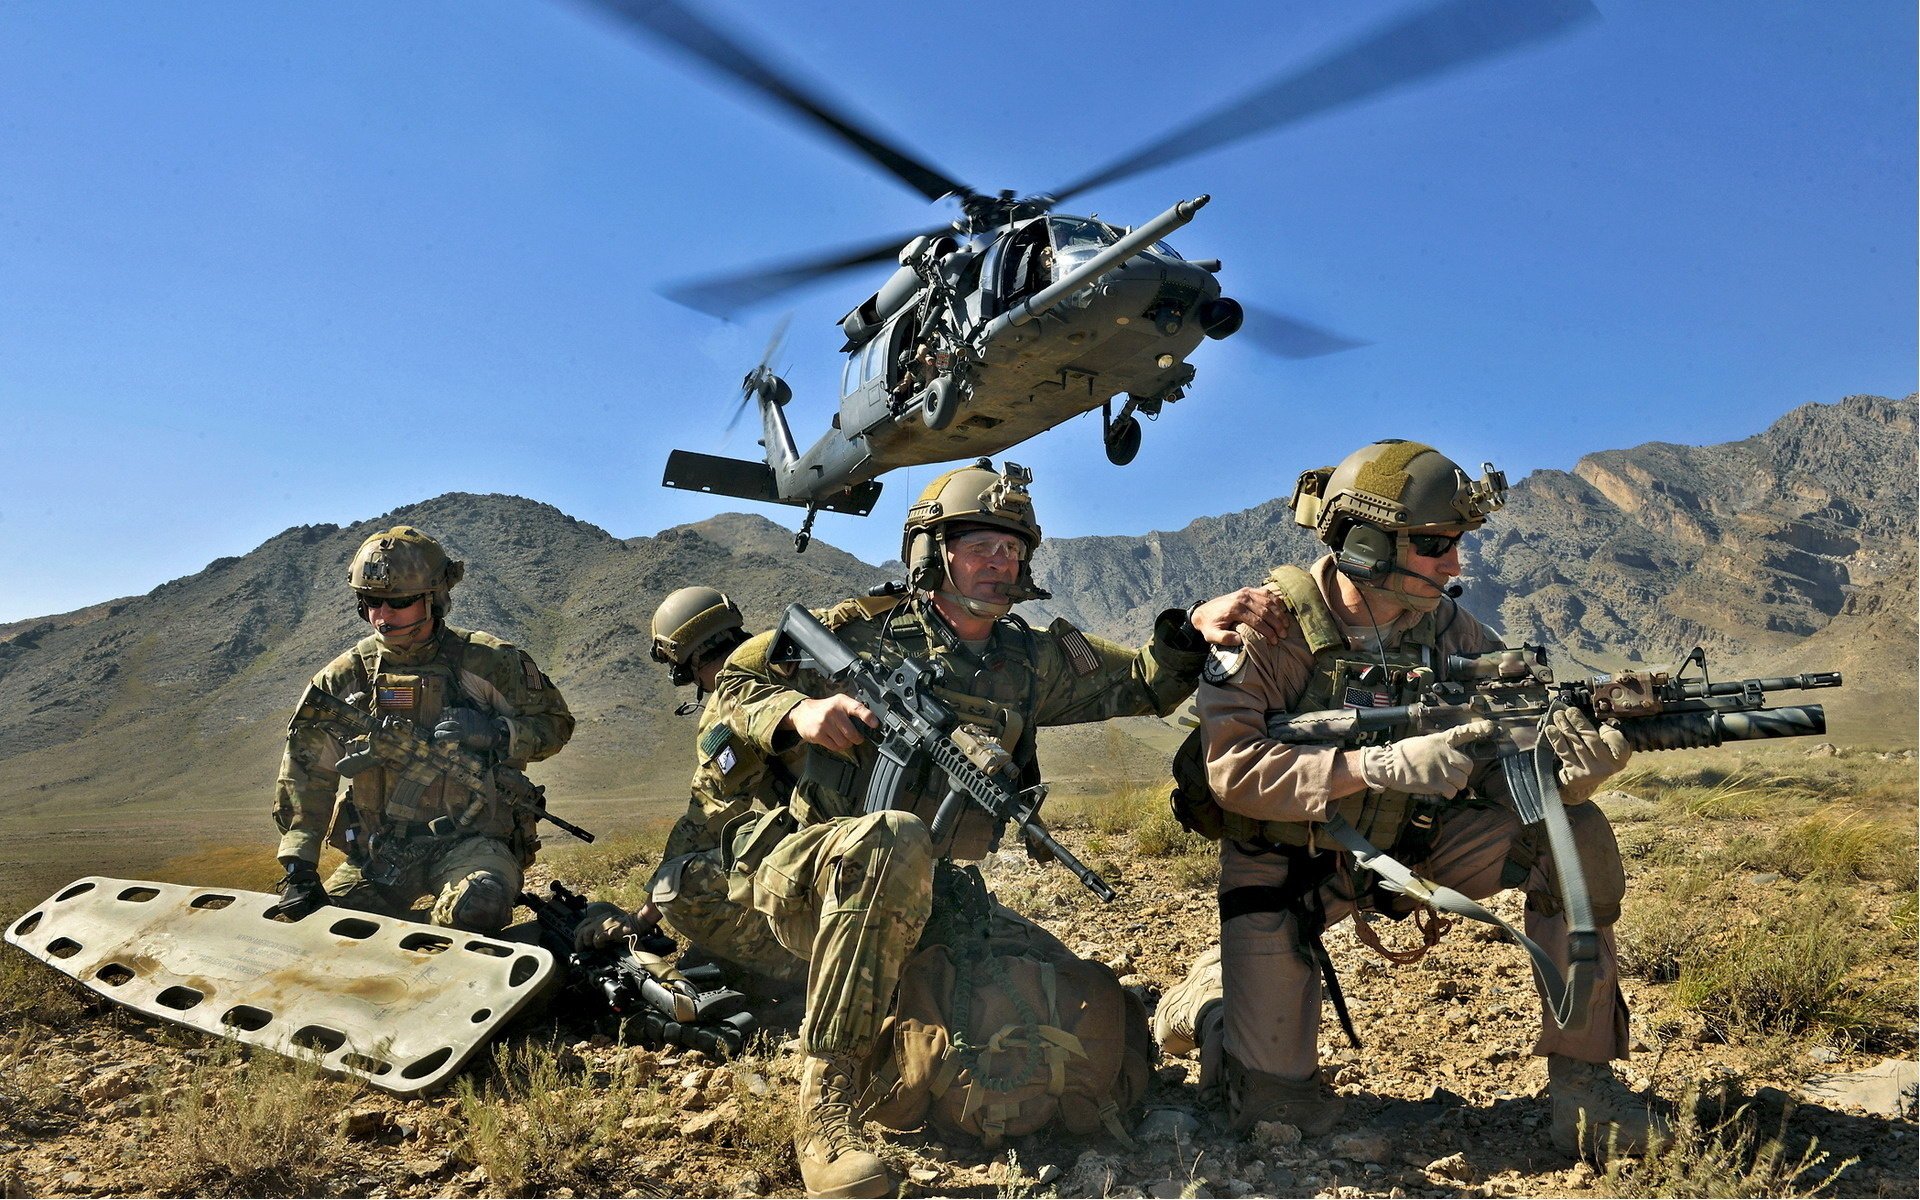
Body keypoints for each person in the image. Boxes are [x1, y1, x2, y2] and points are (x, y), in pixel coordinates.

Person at [705, 459, 1287, 1199]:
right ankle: (824, 1110)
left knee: (1071, 998)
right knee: (891, 837)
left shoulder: (1028, 658)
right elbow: (733, 684)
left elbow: (1144, 680)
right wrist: (799, 712)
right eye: (980, 545)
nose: (1000, 562)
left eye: (1012, 549)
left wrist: (1192, 627)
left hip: (932, 892)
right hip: (813, 879)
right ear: (931, 552)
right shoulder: (860, 632)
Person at [1153, 439, 1658, 1159]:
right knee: (1274, 1113)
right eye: (1434, 545)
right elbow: (1235, 772)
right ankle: (1207, 1002)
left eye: (1456, 545)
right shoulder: (1266, 629)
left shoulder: (1450, 629)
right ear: (1366, 544)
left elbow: (1511, 746)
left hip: (1417, 844)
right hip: (1288, 867)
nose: (1456, 566)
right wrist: (1382, 764)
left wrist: (1569, 769)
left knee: (1570, 830)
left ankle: (1586, 1093)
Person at [269, 526, 574, 933]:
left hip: (474, 840)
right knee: (323, 929)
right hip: (384, 850)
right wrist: (300, 867)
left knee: (477, 907)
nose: (382, 615)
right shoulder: (344, 678)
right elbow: (307, 775)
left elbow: (555, 724)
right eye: (370, 602)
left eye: (399, 602)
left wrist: (498, 733)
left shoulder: (488, 662)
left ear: (434, 598)